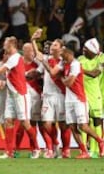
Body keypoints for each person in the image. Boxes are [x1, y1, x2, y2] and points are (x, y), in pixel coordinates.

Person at [0, 36, 39, 159]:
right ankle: (9, 152)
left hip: (20, 95)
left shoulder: (15, 57)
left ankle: (36, 148)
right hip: (11, 95)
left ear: (11, 45)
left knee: (25, 123)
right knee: (8, 121)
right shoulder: (12, 58)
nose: (3, 46)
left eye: (5, 44)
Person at [59, 44, 104, 159]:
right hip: (68, 100)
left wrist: (61, 78)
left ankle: (100, 141)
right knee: (73, 126)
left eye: (63, 54)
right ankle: (84, 151)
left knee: (83, 126)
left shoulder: (75, 65)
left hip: (79, 99)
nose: (61, 56)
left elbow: (69, 83)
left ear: (69, 54)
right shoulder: (65, 64)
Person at [31, 30, 71, 158]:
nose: (52, 46)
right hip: (47, 96)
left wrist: (44, 62)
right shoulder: (47, 59)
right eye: (52, 44)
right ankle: (54, 145)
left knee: (63, 125)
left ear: (60, 49)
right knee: (46, 124)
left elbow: (53, 72)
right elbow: (37, 55)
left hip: (61, 95)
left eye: (55, 45)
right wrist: (33, 40)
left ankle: (66, 150)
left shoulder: (63, 61)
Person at [78, 38, 104, 158]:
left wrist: (80, 70)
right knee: (84, 122)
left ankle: (95, 149)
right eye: (83, 47)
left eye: (86, 48)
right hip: (82, 94)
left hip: (95, 95)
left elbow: (95, 74)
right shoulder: (80, 59)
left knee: (97, 121)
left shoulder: (100, 60)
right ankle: (84, 150)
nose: (83, 50)